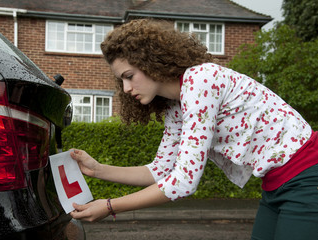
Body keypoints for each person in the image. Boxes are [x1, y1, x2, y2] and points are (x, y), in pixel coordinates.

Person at [69, 19, 318, 239]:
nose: (125, 88)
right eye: (120, 79)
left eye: (129, 75)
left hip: (307, 177)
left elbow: (183, 182)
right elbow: (160, 171)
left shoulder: (201, 80)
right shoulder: (176, 106)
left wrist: (110, 206)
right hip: (275, 186)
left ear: (150, 61)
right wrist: (98, 170)